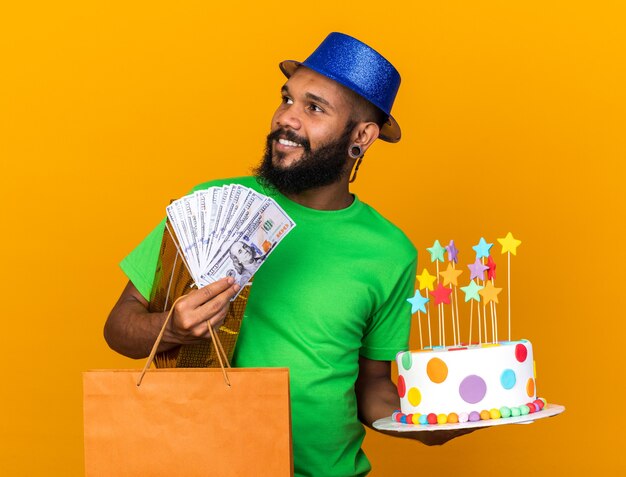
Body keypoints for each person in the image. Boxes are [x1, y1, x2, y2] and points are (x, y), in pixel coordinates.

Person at [105, 32, 471, 477]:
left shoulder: (390, 252)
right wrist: (174, 328)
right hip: (207, 464)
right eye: (287, 99)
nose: (287, 119)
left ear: (362, 135)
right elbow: (119, 327)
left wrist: (427, 423)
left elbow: (371, 385)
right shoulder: (212, 206)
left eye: (314, 108)